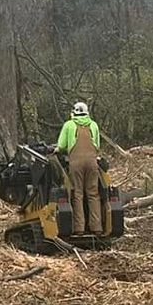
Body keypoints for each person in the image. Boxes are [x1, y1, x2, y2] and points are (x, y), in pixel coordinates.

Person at [55, 100, 105, 237]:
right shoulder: (93, 125)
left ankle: (79, 228)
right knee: (93, 194)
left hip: (76, 163)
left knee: (77, 194)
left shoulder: (69, 125)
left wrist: (57, 150)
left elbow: (61, 145)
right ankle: (97, 227)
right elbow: (97, 145)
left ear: (73, 112)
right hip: (92, 162)